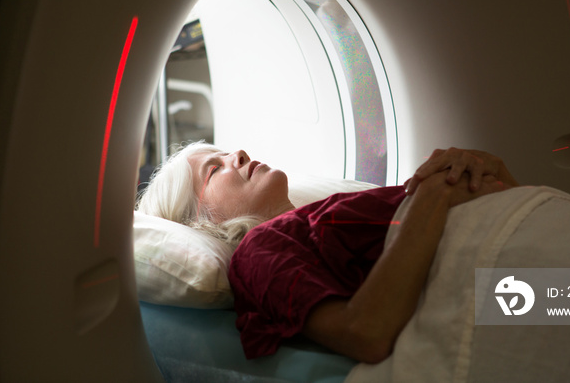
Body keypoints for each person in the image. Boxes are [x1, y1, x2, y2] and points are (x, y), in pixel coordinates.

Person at [137, 141, 519, 363]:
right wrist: (434, 195)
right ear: (200, 222)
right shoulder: (258, 252)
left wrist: (489, 170)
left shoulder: (320, 213)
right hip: (519, 293)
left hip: (530, 265)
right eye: (213, 169)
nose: (237, 153)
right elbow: (365, 332)